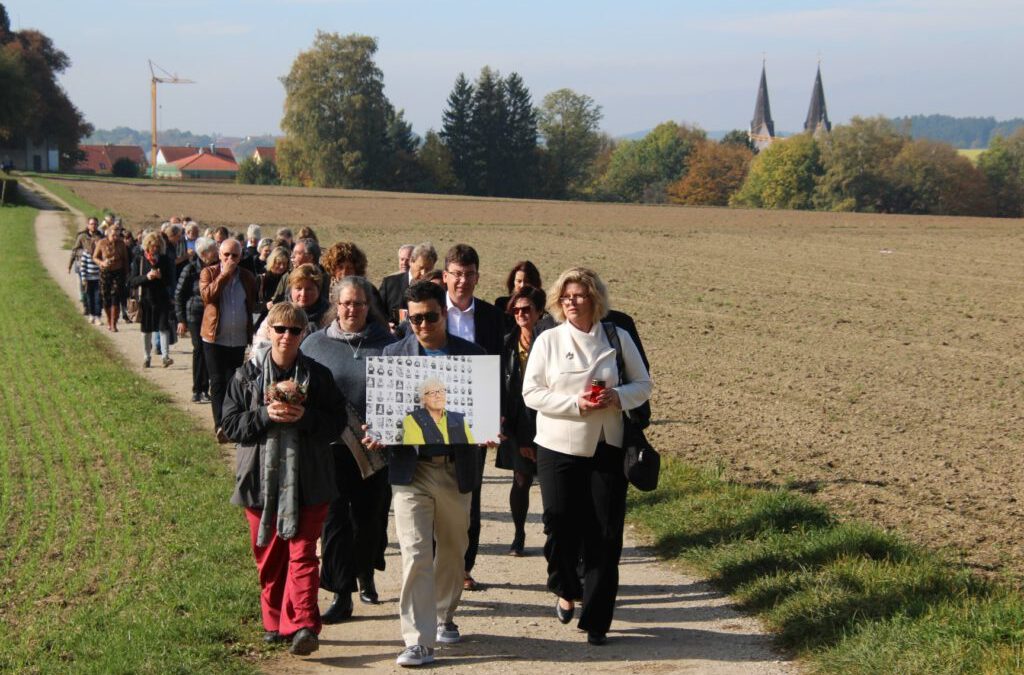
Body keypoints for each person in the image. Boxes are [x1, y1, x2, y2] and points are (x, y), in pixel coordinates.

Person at [521, 267, 652, 647]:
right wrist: (574, 404)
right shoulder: (548, 339)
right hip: (557, 444)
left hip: (606, 445)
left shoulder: (617, 336)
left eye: (579, 295)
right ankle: (564, 585)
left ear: (595, 298)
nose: (572, 302)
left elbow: (644, 384)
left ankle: (597, 620)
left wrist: (618, 397)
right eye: (565, 296)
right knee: (560, 523)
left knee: (605, 533)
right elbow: (532, 393)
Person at [362, 280, 485, 667]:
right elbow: (379, 415)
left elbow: (482, 418)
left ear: (444, 314)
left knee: (452, 549)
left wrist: (488, 430)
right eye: (415, 319)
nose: (423, 325)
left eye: (430, 316)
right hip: (410, 471)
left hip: (454, 467)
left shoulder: (472, 355)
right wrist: (376, 433)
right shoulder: (392, 355)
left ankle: (445, 613)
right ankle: (417, 639)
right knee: (415, 553)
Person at [221, 301, 346, 657]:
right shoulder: (246, 376)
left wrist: (303, 416)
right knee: (270, 556)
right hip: (259, 480)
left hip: (310, 479)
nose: (287, 336)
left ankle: (304, 624)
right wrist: (265, 414)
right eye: (280, 329)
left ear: (304, 334)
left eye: (295, 330)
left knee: (303, 553)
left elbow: (335, 424)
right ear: (268, 332)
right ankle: (273, 621)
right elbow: (231, 426)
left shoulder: (318, 377)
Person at [300, 276, 397, 623]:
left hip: (375, 449)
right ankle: (342, 593)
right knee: (335, 521)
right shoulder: (313, 345)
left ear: (368, 306)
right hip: (330, 447)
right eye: (345, 303)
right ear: (335, 306)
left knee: (369, 522)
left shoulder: (389, 344)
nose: (352, 309)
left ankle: (366, 569)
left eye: (358, 303)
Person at [442, 244, 504, 591]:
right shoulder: (430, 310)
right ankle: (438, 563)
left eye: (469, 275)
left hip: (475, 414)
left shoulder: (493, 318)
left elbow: (500, 370)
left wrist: (497, 415)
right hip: (433, 413)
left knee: (470, 491)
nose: (462, 281)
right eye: (456, 274)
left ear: (477, 277)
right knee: (435, 488)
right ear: (445, 276)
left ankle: (464, 566)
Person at [497, 286, 547, 556]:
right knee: (521, 481)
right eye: (515, 310)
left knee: (552, 486)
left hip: (548, 423)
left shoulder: (551, 342)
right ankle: (518, 534)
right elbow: (503, 390)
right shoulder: (506, 344)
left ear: (539, 312)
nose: (520, 314)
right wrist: (513, 432)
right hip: (516, 422)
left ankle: (555, 537)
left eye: (526, 309)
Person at [200, 238, 259, 439]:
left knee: (234, 382)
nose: (230, 259)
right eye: (226, 255)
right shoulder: (209, 273)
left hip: (238, 339)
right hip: (214, 338)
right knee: (217, 382)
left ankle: (231, 421)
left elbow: (252, 304)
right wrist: (224, 275)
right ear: (219, 255)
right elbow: (207, 296)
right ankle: (220, 426)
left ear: (241, 257)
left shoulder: (248, 277)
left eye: (234, 255)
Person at [175, 236, 218, 403]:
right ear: (203, 253)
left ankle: (205, 389)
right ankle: (197, 389)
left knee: (210, 349)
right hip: (194, 314)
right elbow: (179, 295)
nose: (216, 253)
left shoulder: (217, 269)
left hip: (212, 314)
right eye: (213, 250)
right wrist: (181, 319)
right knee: (199, 349)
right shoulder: (190, 269)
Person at [129, 232, 177, 367]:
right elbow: (132, 281)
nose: (154, 249)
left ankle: (165, 357)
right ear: (147, 246)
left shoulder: (165, 260)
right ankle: (146, 357)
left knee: (163, 328)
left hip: (162, 299)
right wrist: (147, 277)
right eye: (152, 246)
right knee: (146, 329)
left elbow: (170, 281)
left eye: (157, 246)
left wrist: (161, 277)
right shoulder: (139, 260)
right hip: (145, 299)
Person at [401, 378, 475, 445]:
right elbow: (418, 454)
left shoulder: (459, 419)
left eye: (441, 391)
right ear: (423, 399)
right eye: (432, 393)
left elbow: (472, 450)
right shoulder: (412, 420)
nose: (438, 396)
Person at [380, 242, 437, 324]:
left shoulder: (435, 289)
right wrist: (386, 326)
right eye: (420, 268)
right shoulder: (389, 285)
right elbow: (376, 312)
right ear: (411, 262)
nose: (423, 273)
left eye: (428, 270)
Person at [68, 216, 104, 316]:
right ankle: (86, 306)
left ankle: (95, 306)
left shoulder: (101, 237)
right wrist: (70, 265)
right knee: (84, 286)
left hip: (96, 266)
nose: (94, 226)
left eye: (96, 224)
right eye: (92, 224)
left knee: (96, 287)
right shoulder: (82, 236)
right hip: (82, 265)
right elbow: (75, 250)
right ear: (88, 225)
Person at [494, 261, 542, 331]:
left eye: (527, 281)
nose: (522, 285)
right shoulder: (501, 304)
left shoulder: (540, 310)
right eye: (519, 281)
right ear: (513, 282)